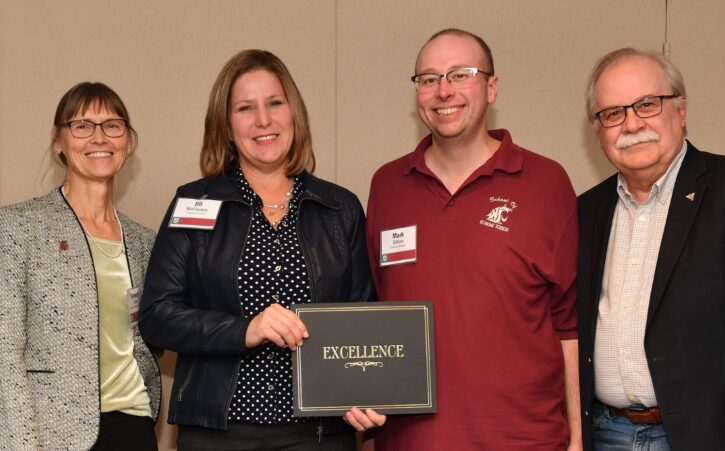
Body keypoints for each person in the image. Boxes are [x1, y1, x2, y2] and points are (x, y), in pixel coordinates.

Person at [139, 49, 381, 451]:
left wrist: (369, 392)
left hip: (321, 435)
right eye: (245, 108)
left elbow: (364, 321)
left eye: (274, 103)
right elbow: (157, 316)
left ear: (294, 113)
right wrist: (245, 329)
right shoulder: (193, 203)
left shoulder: (340, 209)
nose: (263, 120)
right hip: (218, 433)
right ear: (226, 125)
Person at [365, 29, 582, 451]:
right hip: (411, 442)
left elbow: (567, 323)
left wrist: (576, 438)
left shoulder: (546, 183)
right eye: (428, 79)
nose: (443, 91)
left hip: (524, 441)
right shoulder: (387, 185)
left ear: (492, 87)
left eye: (460, 74)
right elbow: (375, 312)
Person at [577, 47, 725, 450]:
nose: (631, 123)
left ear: (681, 108)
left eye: (647, 104)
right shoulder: (584, 211)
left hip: (724, 436)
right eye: (612, 113)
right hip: (609, 435)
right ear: (598, 130)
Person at [0, 82, 161, 451]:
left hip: (134, 425)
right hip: (53, 433)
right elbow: (5, 354)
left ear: (128, 141)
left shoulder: (144, 242)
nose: (98, 137)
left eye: (112, 125)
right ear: (59, 140)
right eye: (82, 125)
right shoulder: (18, 227)